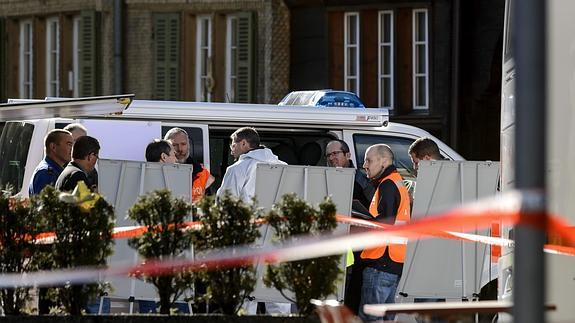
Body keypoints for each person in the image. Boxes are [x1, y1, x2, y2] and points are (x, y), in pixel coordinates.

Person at [358, 144, 411, 322]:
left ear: (384, 161)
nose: (365, 165)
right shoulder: (396, 182)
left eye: (369, 160)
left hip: (380, 263)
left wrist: (360, 223)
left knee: (371, 319)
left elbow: (385, 222)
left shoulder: (388, 185)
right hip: (393, 263)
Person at [325, 139, 373, 315]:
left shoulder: (361, 179)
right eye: (329, 155)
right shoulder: (326, 177)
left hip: (357, 245)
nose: (332, 158)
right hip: (334, 241)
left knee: (352, 289)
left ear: (348, 155)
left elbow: (373, 212)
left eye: (335, 153)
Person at [216, 127, 286, 203]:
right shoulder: (284, 167)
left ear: (243, 143)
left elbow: (225, 203)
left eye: (233, 146)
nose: (231, 152)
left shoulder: (237, 169)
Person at [164, 127, 214, 202]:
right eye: (174, 145)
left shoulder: (202, 173)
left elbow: (210, 203)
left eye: (183, 144)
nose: (180, 149)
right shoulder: (158, 172)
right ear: (167, 148)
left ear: (188, 145)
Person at [29, 129, 74, 195]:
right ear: (53, 147)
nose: (72, 149)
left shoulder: (54, 170)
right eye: (69, 144)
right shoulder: (46, 173)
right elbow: (47, 203)